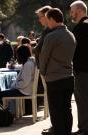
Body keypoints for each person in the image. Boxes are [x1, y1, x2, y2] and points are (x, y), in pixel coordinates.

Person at [39, 8, 76, 135]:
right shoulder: (71, 35)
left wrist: (43, 72)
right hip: (69, 77)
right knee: (67, 109)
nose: (47, 23)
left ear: (52, 19)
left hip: (54, 78)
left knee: (56, 111)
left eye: (47, 19)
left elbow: (44, 58)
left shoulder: (51, 36)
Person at [70, 1, 88, 135]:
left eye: (72, 11)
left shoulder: (79, 28)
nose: (71, 13)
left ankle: (84, 129)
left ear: (80, 11)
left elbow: (73, 51)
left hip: (82, 71)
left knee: (82, 102)